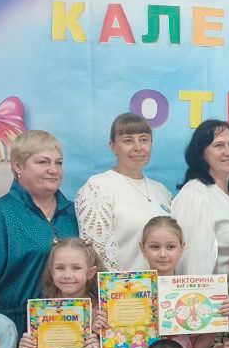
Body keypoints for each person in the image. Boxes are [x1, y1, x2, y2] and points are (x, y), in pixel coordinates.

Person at [0, 130, 78, 337]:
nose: (53, 170)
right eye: (43, 162)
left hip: (72, 326)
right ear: (18, 166)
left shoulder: (74, 213)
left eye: (59, 163)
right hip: (13, 331)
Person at [121, 217, 210, 348]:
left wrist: (218, 323)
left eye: (170, 247)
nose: (162, 254)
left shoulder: (195, 294)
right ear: (142, 248)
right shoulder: (129, 293)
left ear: (182, 248)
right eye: (154, 247)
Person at [17, 238, 109, 348]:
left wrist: (100, 346)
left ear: (91, 272)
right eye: (60, 268)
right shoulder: (41, 311)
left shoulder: (101, 311)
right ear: (51, 271)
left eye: (76, 268)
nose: (67, 275)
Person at [74, 113, 173, 273]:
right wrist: (127, 286)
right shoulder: (98, 187)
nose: (138, 147)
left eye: (144, 140)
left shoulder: (161, 190)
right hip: (122, 287)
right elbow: (99, 257)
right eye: (128, 141)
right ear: (113, 146)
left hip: (163, 286)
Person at [173, 120, 229, 276]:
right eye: (219, 145)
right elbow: (192, 265)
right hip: (214, 292)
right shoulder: (195, 196)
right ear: (201, 153)